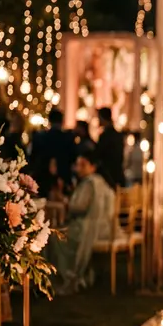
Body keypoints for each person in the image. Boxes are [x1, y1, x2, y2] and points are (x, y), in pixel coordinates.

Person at [48, 150, 114, 294]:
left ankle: (62, 276)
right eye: (77, 165)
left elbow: (79, 206)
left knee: (55, 236)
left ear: (92, 166)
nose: (79, 169)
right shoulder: (100, 182)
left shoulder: (90, 183)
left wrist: (64, 201)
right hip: (104, 227)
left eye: (83, 165)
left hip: (88, 227)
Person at [94, 107, 125, 187]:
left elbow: (99, 154)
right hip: (117, 173)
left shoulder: (105, 136)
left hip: (108, 175)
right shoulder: (118, 135)